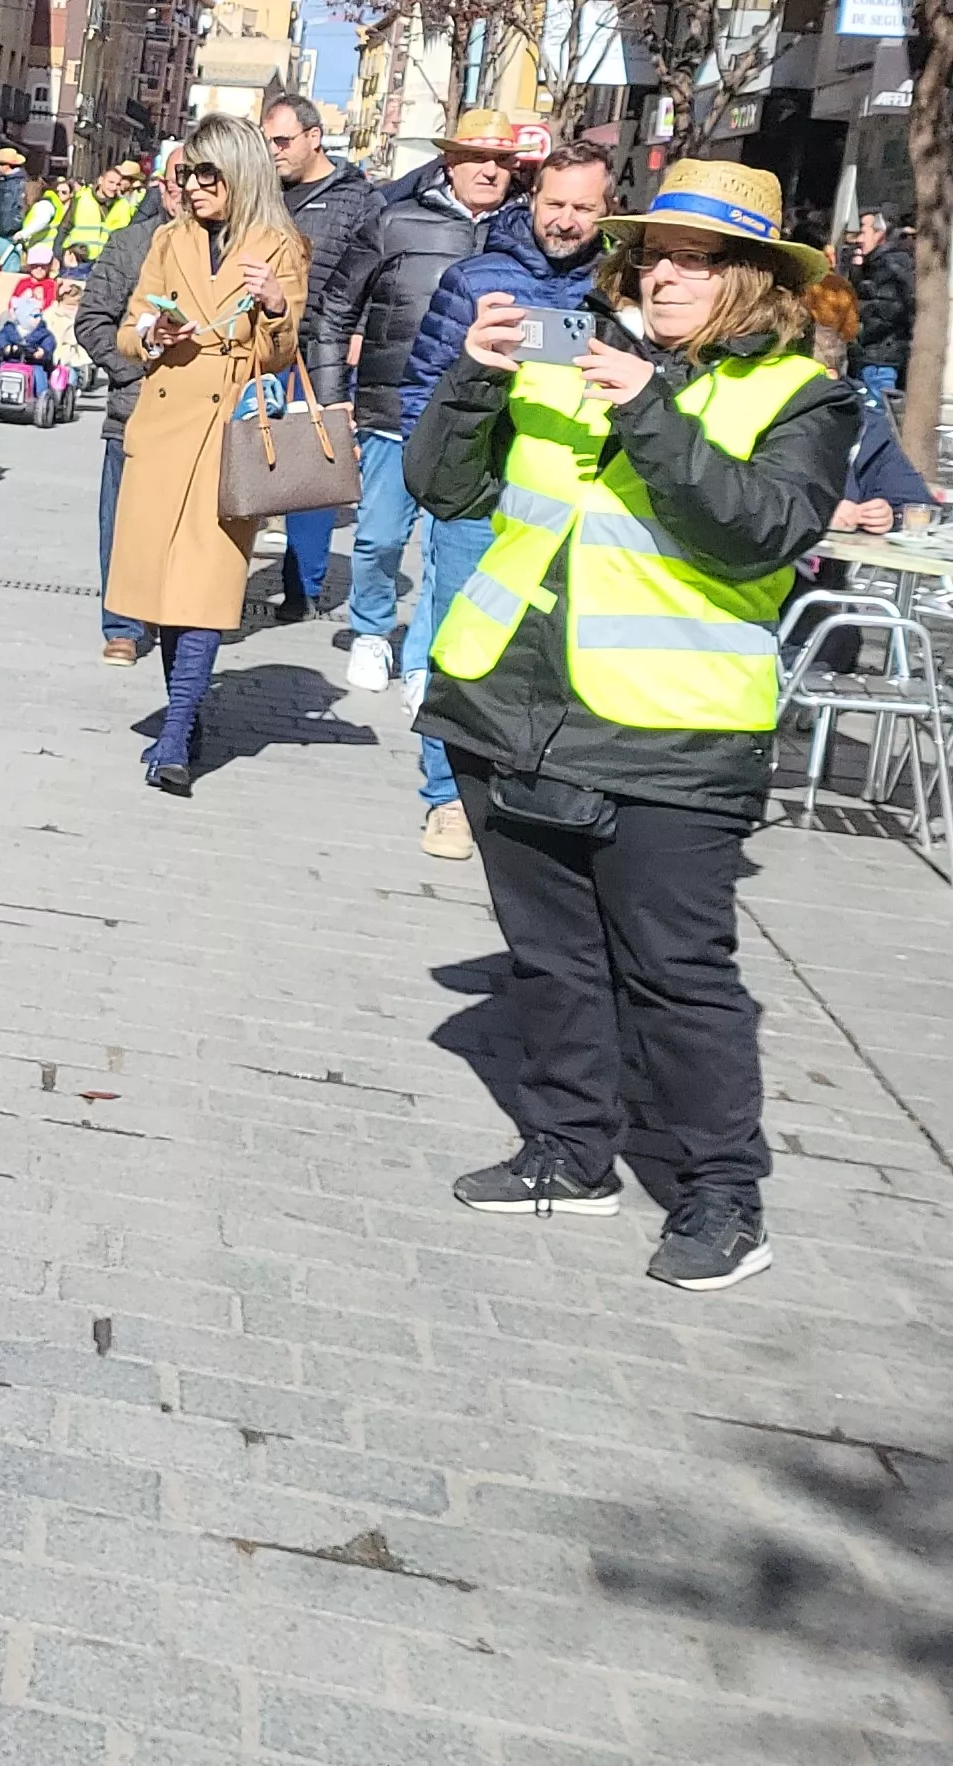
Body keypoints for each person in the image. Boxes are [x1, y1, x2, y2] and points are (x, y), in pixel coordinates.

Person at [405, 160, 856, 1291]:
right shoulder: (571, 356)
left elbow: (754, 531)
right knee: (550, 957)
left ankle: (721, 1196)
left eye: (694, 261)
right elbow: (444, 490)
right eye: (653, 254)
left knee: (676, 974)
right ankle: (568, 1150)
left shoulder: (798, 396)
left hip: (673, 734)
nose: (662, 275)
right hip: (508, 704)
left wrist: (647, 407)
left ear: (750, 282)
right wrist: (474, 380)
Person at [391, 139, 614, 861]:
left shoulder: (619, 285)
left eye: (583, 207)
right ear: (531, 199)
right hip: (482, 497)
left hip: (575, 501)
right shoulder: (476, 277)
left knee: (555, 653)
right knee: (463, 643)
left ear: (606, 210)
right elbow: (426, 382)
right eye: (554, 204)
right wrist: (437, 472)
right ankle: (447, 797)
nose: (565, 220)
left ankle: (535, 788)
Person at [105, 115, 305, 794]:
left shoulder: (277, 245)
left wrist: (274, 307)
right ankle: (183, 723)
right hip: (163, 424)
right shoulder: (168, 239)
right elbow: (130, 332)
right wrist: (153, 331)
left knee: (208, 586)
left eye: (205, 173)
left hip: (228, 431)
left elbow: (281, 353)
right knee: (163, 590)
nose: (191, 186)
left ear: (238, 172)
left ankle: (173, 738)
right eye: (186, 173)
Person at [320, 108, 519, 692]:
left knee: (448, 549)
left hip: (480, 420)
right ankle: (372, 633)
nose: (490, 170)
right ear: (449, 161)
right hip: (392, 410)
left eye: (502, 161)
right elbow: (335, 310)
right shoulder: (394, 221)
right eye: (478, 158)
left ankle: (424, 663)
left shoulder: (524, 234)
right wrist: (334, 401)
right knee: (379, 536)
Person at [262, 94, 382, 624]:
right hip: (261, 345)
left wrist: (357, 332)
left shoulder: (359, 200)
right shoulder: (263, 195)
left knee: (309, 473)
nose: (274, 152)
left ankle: (302, 586)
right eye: (268, 142)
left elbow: (375, 275)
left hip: (319, 352)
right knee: (247, 460)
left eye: (283, 141)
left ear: (315, 137)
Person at [787, 274, 939, 672]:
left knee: (838, 634)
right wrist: (818, 509)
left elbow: (915, 502)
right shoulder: (752, 416)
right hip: (756, 601)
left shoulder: (863, 425)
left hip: (819, 612)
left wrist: (891, 513)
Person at [76, 149, 177, 665]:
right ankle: (122, 624)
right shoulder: (132, 244)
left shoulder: (231, 249)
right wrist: (133, 370)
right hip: (134, 409)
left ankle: (169, 611)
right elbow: (92, 321)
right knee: (120, 520)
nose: (190, 189)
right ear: (163, 185)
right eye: (180, 176)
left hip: (199, 416)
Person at [846, 209, 913, 399]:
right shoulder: (873, 264)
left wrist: (850, 322)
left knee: (876, 417)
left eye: (862, 232)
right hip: (867, 358)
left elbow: (884, 314)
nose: (858, 239)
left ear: (880, 234)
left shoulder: (891, 266)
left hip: (880, 361)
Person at [64, 161, 140, 258]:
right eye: (111, 182)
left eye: (117, 184)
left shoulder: (123, 205)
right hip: (76, 259)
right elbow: (64, 228)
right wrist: (59, 256)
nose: (113, 187)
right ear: (101, 180)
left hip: (104, 262)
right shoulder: (81, 199)